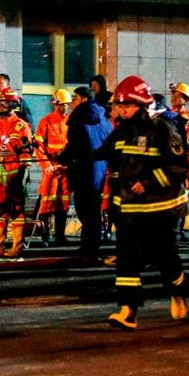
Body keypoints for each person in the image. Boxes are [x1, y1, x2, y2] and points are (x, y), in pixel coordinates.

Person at [97, 75, 189, 330]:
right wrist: (75, 158)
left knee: (165, 258)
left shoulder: (163, 128)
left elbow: (178, 167)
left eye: (127, 106)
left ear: (141, 104)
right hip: (129, 210)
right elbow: (106, 154)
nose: (121, 110)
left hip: (159, 209)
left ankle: (178, 291)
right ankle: (128, 311)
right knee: (127, 258)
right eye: (119, 105)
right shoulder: (122, 131)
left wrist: (148, 182)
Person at [57, 87, 112, 265]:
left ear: (82, 100)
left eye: (74, 99)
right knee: (93, 211)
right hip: (99, 169)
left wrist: (62, 157)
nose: (72, 103)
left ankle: (88, 251)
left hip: (83, 170)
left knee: (85, 211)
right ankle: (89, 248)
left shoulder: (79, 118)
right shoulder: (102, 117)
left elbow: (76, 144)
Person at [0, 87, 34, 259]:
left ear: (13, 103)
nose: (1, 105)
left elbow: (26, 152)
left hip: (14, 175)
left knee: (16, 210)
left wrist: (24, 174)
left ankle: (17, 246)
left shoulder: (21, 126)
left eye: (4, 102)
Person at [35, 89, 72, 248]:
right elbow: (38, 147)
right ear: (54, 105)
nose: (63, 109)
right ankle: (45, 235)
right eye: (60, 106)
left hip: (65, 169)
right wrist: (46, 165)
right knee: (46, 203)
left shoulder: (71, 121)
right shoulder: (46, 122)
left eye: (65, 105)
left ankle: (60, 236)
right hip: (51, 169)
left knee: (63, 203)